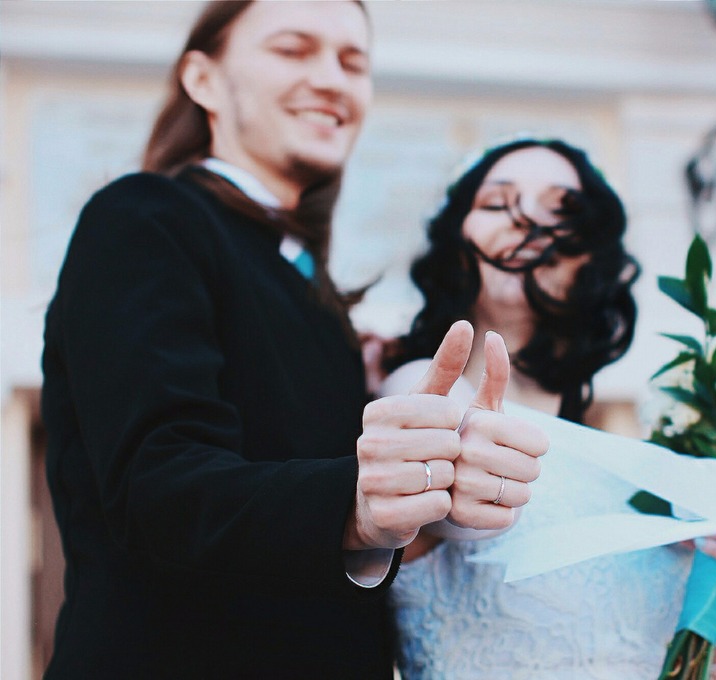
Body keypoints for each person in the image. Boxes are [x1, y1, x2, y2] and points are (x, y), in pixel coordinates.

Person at [40, 3, 547, 678]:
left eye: (353, 62)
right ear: (203, 79)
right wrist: (355, 507)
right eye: (293, 49)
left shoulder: (306, 287)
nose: (332, 80)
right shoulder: (145, 217)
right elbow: (158, 485)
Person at [379, 138, 716, 679]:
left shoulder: (638, 463)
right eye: (498, 203)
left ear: (594, 257)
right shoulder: (420, 389)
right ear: (457, 240)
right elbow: (458, 507)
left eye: (562, 210)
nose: (528, 221)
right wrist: (463, 477)